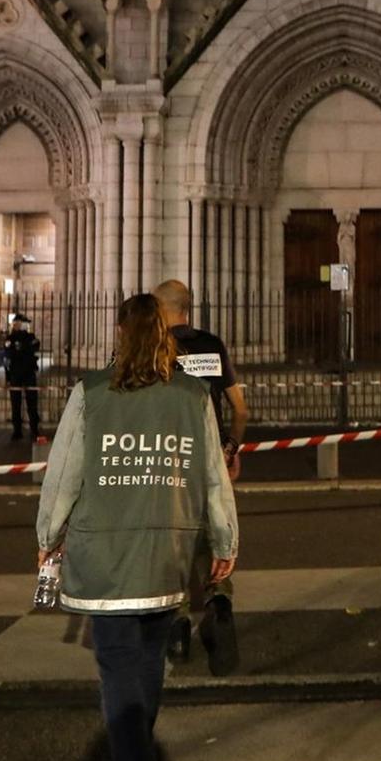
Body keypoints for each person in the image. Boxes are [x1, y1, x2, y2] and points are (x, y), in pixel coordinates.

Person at [36, 293, 238, 761]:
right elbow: (213, 477)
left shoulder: (91, 392)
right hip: (166, 557)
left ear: (121, 333)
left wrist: (47, 537)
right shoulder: (193, 395)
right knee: (147, 665)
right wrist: (224, 540)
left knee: (118, 669)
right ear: (168, 336)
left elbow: (62, 477)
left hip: (103, 558)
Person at [154, 279, 248, 676]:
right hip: (210, 458)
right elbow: (241, 410)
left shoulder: (156, 349)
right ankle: (219, 604)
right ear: (188, 309)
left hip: (169, 459)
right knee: (214, 536)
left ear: (161, 310)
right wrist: (230, 450)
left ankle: (177, 627)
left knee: (171, 540)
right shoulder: (212, 345)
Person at [3, 313, 44, 442]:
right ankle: (17, 430)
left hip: (28, 372)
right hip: (16, 373)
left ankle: (34, 428)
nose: (19, 326)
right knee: (16, 402)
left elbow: (35, 346)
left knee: (32, 401)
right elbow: (8, 355)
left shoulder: (29, 337)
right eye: (17, 324)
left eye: (21, 324)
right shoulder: (10, 338)